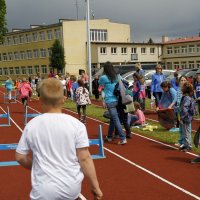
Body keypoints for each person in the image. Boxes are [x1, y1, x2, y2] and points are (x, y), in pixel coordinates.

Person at [15, 78, 103, 200]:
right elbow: (84, 158)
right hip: (70, 188)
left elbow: (20, 157)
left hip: (43, 190)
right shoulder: (77, 125)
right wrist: (95, 187)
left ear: (40, 100)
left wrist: (37, 165)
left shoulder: (31, 125)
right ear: (63, 99)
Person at [98, 61, 127, 145]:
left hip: (109, 100)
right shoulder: (117, 76)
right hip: (118, 100)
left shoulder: (103, 77)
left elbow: (100, 85)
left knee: (115, 119)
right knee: (113, 119)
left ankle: (123, 137)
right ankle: (110, 136)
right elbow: (123, 82)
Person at [179, 82, 195, 152]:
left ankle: (189, 146)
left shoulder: (186, 98)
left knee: (186, 131)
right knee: (185, 131)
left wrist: (182, 117)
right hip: (187, 116)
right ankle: (186, 144)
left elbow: (185, 108)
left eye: (182, 88)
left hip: (186, 117)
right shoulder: (188, 97)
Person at [175, 76, 188, 146]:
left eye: (184, 80)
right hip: (179, 110)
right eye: (181, 80)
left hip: (185, 111)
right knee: (180, 127)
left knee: (185, 128)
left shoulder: (187, 90)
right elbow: (177, 99)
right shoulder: (178, 89)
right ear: (179, 82)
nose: (183, 82)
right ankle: (181, 141)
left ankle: (185, 142)